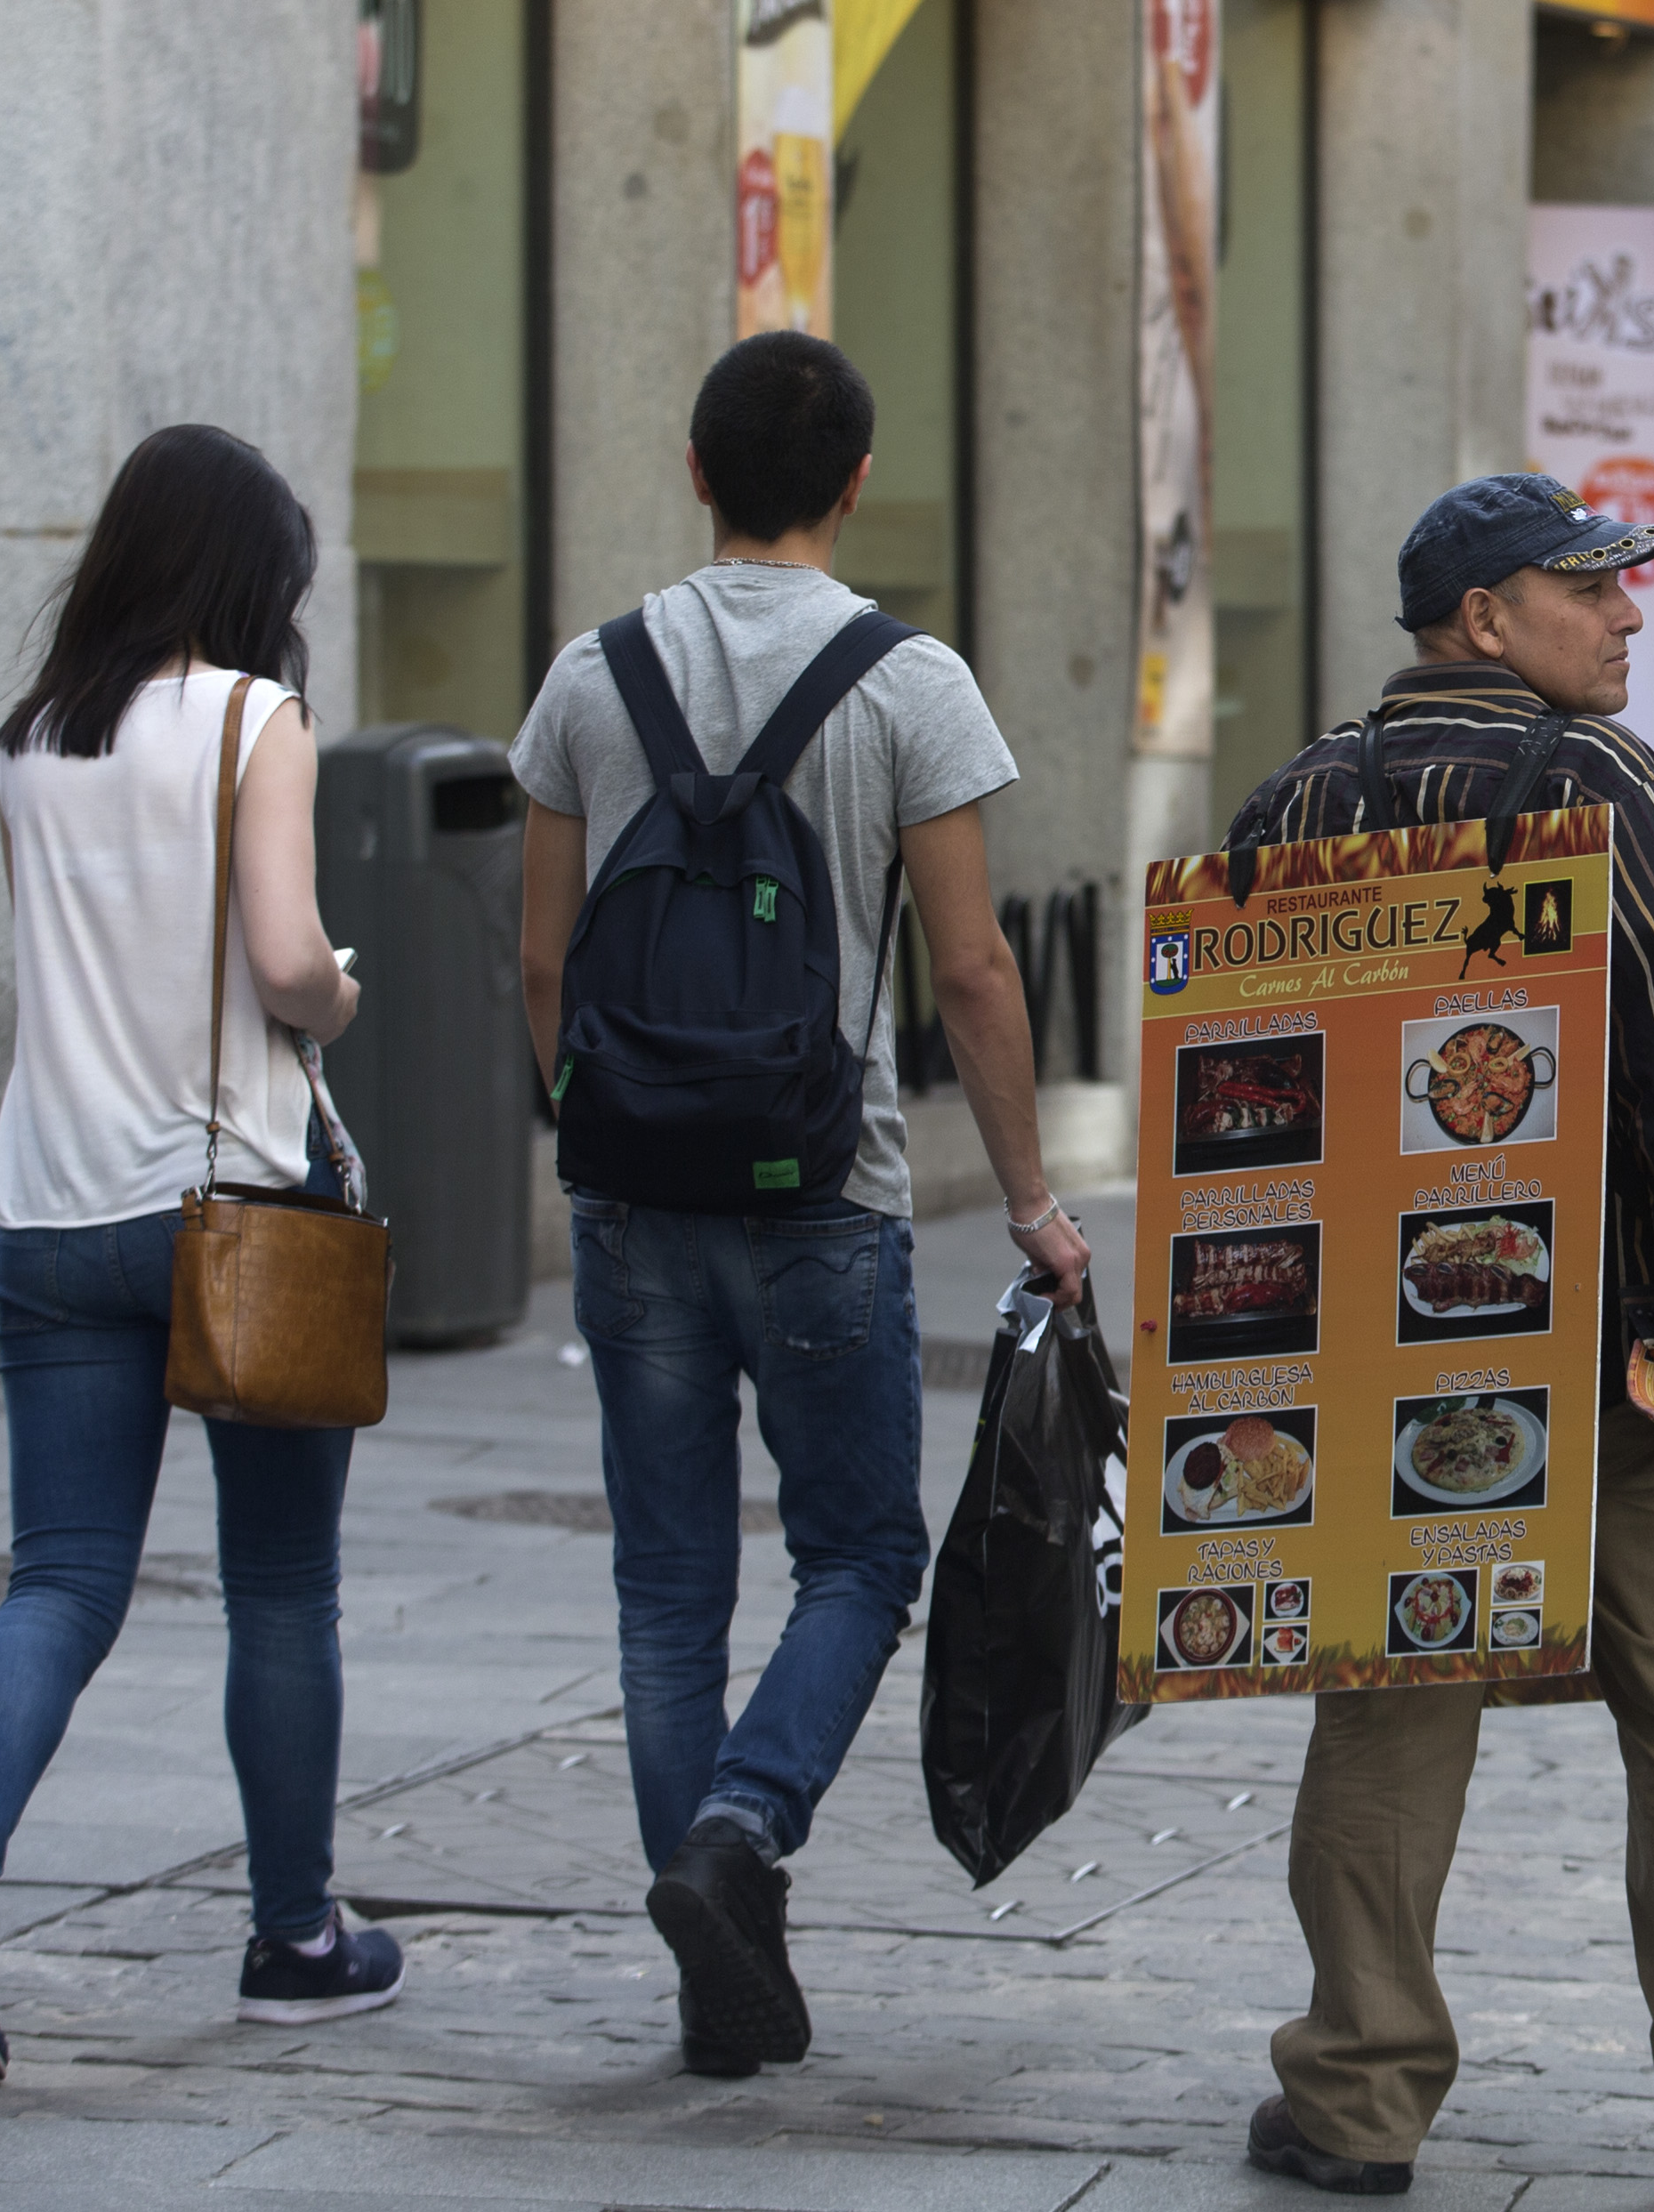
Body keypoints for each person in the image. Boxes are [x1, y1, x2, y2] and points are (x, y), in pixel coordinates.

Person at [1219, 472, 1654, 2202]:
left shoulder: (1297, 798)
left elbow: (1238, 1093)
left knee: (1387, 1700)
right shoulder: (1595, 781)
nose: (1628, 613)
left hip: (1384, 1357)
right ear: (1485, 621)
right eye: (1588, 588)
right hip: (1610, 1345)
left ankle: (1354, 2099)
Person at [511, 333, 1088, 2079]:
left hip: (632, 1203)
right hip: (829, 1191)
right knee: (859, 1554)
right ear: (853, 487)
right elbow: (976, 972)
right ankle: (745, 1830)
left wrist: (588, 1126)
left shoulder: (589, 679)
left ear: (694, 474)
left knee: (668, 1587)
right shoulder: (910, 684)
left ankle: (712, 1981)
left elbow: (540, 954)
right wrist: (1035, 1200)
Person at [0, 425, 399, 2086]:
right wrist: (339, 985)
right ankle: (295, 1938)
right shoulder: (259, 718)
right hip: (231, 1211)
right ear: (245, 578)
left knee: (62, 1584)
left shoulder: (35, 739)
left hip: (50, 1207)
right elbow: (277, 960)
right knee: (280, 1585)